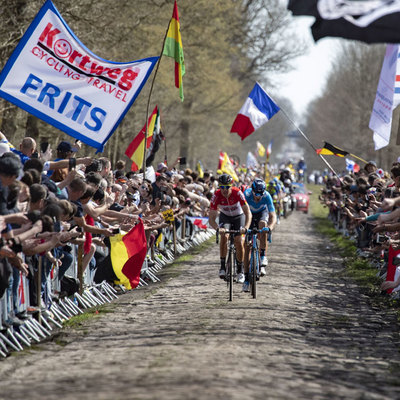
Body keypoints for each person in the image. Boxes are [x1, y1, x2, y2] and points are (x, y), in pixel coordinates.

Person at [209, 173, 251, 283]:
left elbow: (248, 213)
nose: (224, 190)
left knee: (239, 241)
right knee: (224, 236)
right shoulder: (216, 195)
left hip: (238, 217)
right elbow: (211, 219)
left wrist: (246, 227)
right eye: (222, 187)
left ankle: (240, 270)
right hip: (225, 217)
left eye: (227, 187)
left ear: (231, 186)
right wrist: (218, 228)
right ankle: (222, 267)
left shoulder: (238, 193)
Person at [242, 179, 276, 292]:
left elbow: (273, 215)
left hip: (262, 213)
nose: (258, 197)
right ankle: (246, 278)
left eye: (260, 194)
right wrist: (244, 228)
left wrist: (270, 228)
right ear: (252, 191)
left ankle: (262, 255)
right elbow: (241, 212)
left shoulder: (267, 196)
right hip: (249, 215)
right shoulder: (246, 194)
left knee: (263, 226)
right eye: (256, 194)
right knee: (247, 247)